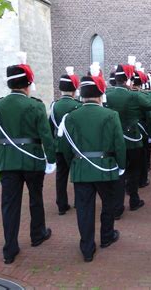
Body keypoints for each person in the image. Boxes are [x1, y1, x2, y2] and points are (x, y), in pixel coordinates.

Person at [0, 52, 55, 265]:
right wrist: (50, 159)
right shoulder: (35, 105)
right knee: (35, 198)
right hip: (32, 159)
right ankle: (37, 234)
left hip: (7, 160)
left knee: (9, 204)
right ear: (27, 84)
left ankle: (10, 248)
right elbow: (46, 136)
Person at [58, 68, 126, 262]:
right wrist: (121, 165)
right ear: (100, 94)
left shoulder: (70, 117)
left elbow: (64, 146)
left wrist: (74, 163)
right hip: (106, 167)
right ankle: (106, 236)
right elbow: (119, 144)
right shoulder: (111, 115)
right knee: (108, 204)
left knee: (84, 209)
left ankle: (87, 247)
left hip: (81, 168)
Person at [106, 63, 151, 214]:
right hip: (132, 139)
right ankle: (133, 199)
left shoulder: (107, 94)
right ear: (128, 79)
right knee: (133, 170)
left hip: (113, 139)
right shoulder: (134, 95)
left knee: (118, 171)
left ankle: (117, 206)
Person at [49, 67, 82, 215]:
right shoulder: (77, 105)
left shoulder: (54, 105)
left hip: (59, 145)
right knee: (76, 173)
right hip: (74, 146)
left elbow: (50, 127)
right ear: (74, 89)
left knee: (61, 176)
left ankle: (61, 204)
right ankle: (78, 201)